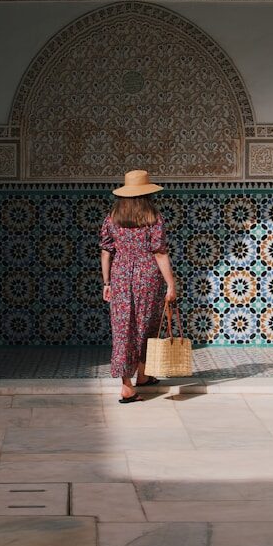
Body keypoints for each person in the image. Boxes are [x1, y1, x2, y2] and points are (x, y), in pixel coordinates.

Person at [99, 169, 177, 403]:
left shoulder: (112, 218)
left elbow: (106, 251)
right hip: (148, 276)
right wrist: (171, 284)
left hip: (121, 275)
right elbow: (160, 253)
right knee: (146, 325)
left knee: (123, 330)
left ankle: (129, 384)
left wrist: (107, 282)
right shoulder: (153, 217)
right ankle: (142, 375)